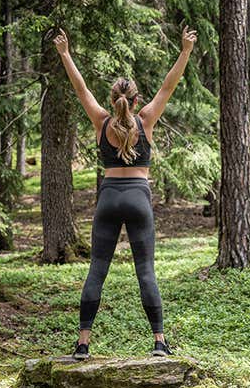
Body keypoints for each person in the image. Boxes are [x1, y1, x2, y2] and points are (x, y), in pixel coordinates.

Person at [54, 25, 197, 360]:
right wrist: (185, 51)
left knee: (96, 270)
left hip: (108, 198)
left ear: (113, 100)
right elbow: (168, 85)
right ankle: (160, 342)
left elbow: (80, 89)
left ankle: (82, 344)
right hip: (138, 197)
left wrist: (65, 54)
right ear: (136, 101)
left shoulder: (101, 121)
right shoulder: (146, 120)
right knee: (145, 271)